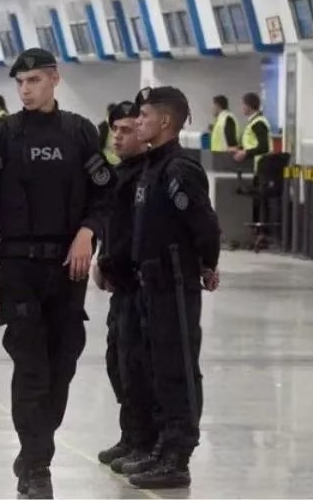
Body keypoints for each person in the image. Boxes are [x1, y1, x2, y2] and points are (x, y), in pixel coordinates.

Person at [0, 47, 114, 499]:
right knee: (31, 368)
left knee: (62, 365)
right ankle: (36, 466)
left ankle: (36, 448)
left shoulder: (80, 133)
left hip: (66, 269)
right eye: (20, 82)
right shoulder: (1, 135)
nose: (25, 89)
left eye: (33, 80)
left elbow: (104, 196)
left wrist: (89, 232)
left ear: (54, 79)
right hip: (17, 267)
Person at [128, 85, 221, 489]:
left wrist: (207, 263)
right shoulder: (153, 166)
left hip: (174, 279)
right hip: (151, 281)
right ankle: (163, 446)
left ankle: (178, 456)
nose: (138, 122)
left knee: (178, 368)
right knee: (157, 368)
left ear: (165, 121)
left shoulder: (179, 169)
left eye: (145, 115)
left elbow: (204, 223)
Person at [93, 96, 158, 473]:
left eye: (126, 130)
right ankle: (131, 435)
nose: (117, 137)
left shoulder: (148, 175)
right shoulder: (119, 175)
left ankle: (147, 440)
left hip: (141, 285)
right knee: (118, 362)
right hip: (120, 284)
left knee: (138, 365)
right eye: (114, 130)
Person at [232, 92, 270, 171]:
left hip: (261, 166)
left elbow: (264, 147)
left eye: (243, 105)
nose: (242, 108)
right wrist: (240, 149)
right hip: (255, 165)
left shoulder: (258, 123)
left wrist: (245, 153)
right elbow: (251, 144)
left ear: (249, 106)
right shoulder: (253, 122)